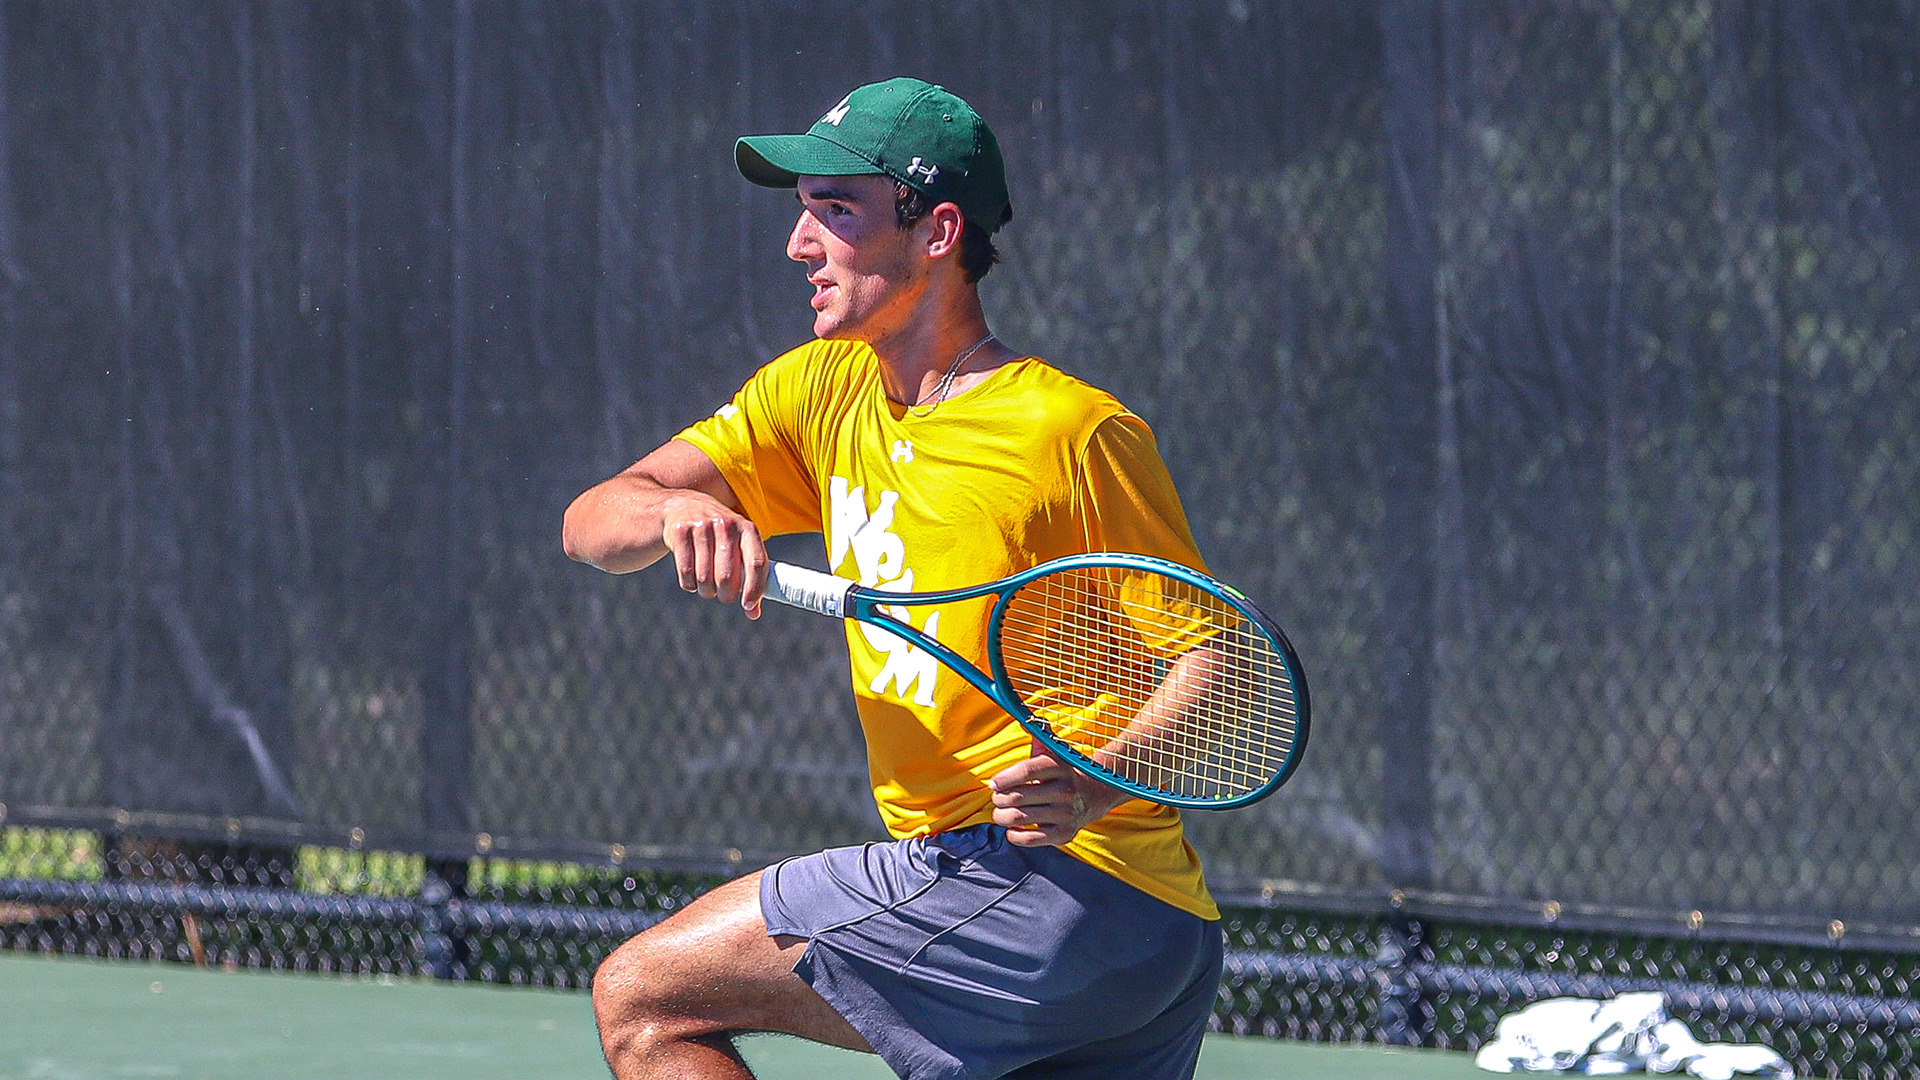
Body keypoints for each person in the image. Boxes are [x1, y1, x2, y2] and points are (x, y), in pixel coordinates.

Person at [563, 77, 1224, 1080]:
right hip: (1150, 948)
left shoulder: (1069, 432)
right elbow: (592, 522)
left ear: (936, 231)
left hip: (1052, 888)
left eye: (835, 211)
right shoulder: (821, 392)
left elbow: (1218, 669)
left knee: (646, 999)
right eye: (801, 213)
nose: (799, 245)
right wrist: (674, 510)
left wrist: (1089, 784)